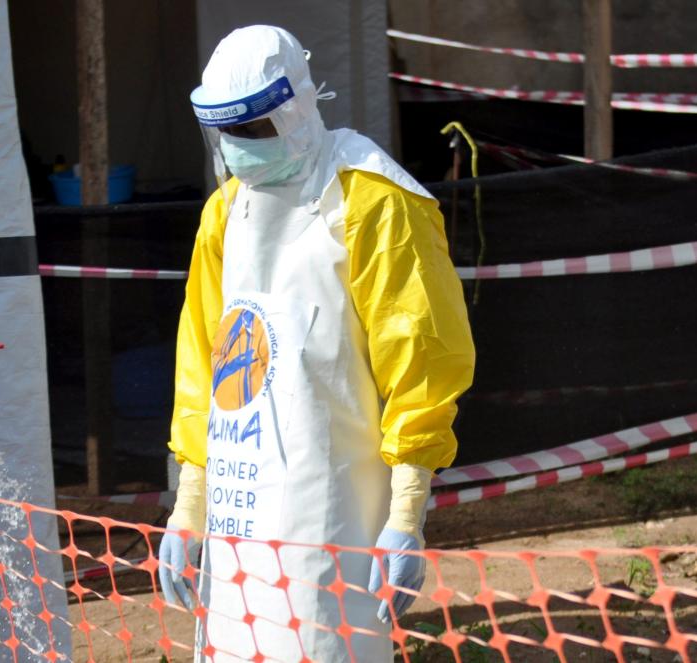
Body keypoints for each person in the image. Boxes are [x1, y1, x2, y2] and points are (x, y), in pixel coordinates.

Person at [155, 25, 475, 662]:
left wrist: (406, 512)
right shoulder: (226, 214)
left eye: (253, 129)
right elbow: (204, 366)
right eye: (229, 133)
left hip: (332, 513)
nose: (241, 149)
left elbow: (421, 363)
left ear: (296, 110)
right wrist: (190, 505)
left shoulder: (376, 203)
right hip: (238, 508)